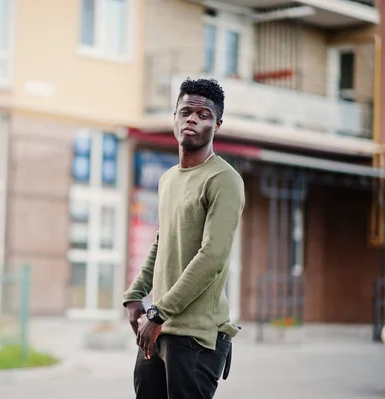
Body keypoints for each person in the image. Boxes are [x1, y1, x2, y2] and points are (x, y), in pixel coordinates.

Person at [122, 78, 245, 399]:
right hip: (159, 331)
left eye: (203, 115)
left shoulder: (224, 180)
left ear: (217, 125)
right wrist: (135, 294)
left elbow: (213, 256)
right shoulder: (169, 179)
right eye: (185, 112)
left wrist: (158, 312)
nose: (192, 119)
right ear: (174, 118)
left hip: (196, 337)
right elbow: (163, 242)